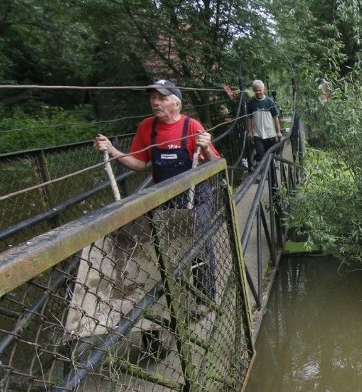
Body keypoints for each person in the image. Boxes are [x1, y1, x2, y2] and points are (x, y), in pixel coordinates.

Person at [93, 79, 221, 302]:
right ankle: (172, 295)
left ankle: (204, 297)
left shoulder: (191, 126)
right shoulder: (147, 127)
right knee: (166, 246)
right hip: (164, 199)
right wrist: (112, 150)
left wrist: (207, 146)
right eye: (153, 98)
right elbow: (140, 164)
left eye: (162, 98)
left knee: (199, 244)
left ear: (176, 103)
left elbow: (215, 164)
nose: (156, 102)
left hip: (196, 197)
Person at [246, 79, 282, 164]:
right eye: (256, 91)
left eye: (260, 90)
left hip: (270, 133)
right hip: (258, 134)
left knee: (270, 156)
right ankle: (264, 175)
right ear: (253, 90)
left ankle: (271, 174)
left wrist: (278, 132)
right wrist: (250, 132)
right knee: (261, 156)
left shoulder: (270, 102)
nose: (258, 92)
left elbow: (275, 117)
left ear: (263, 89)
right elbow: (249, 118)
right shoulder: (251, 103)